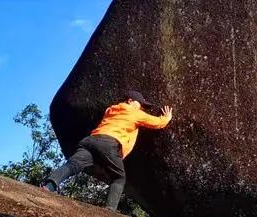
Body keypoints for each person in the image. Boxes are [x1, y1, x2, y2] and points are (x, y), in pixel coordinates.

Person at [42, 90, 173, 210]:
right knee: (119, 178)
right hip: (109, 143)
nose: (141, 107)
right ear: (130, 101)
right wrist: (166, 118)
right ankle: (110, 210)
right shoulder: (135, 113)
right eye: (140, 104)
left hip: (91, 140)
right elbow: (157, 123)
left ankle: (49, 186)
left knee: (73, 165)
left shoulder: (111, 110)